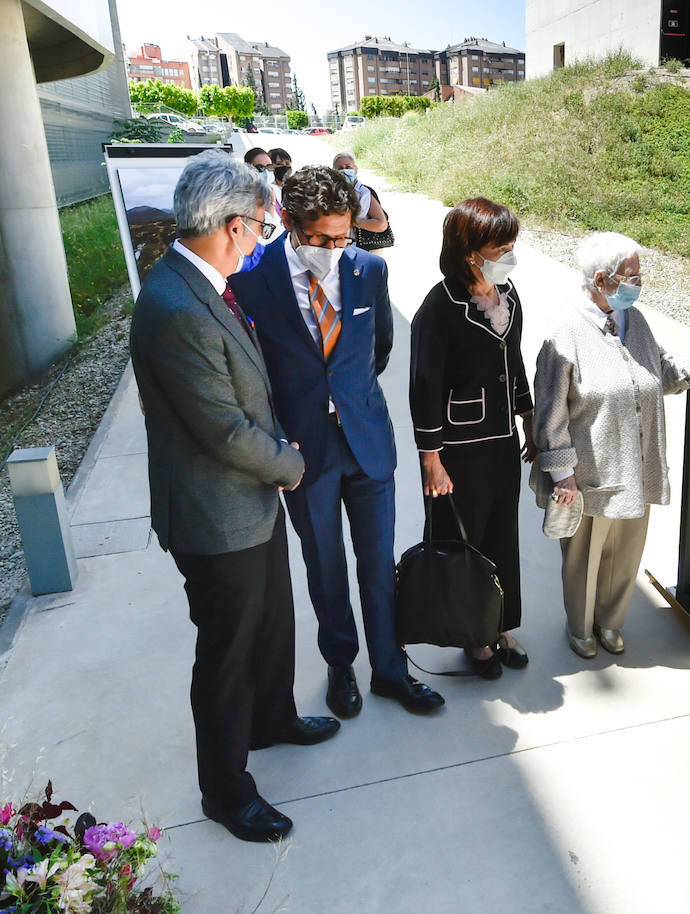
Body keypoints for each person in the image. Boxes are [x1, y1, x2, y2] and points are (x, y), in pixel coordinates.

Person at [129, 150, 336, 843]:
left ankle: (272, 718)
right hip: (217, 514)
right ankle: (226, 790)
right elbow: (220, 428)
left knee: (273, 621)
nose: (263, 236)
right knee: (226, 652)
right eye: (259, 223)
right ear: (227, 225)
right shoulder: (176, 307)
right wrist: (290, 464)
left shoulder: (203, 283)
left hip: (249, 500)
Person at [230, 165, 443, 718]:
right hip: (303, 451)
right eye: (321, 238)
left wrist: (348, 397)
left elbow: (379, 350)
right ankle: (340, 663)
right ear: (289, 223)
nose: (333, 249)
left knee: (377, 562)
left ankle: (390, 670)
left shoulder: (369, 269)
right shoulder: (252, 279)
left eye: (343, 237)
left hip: (367, 441)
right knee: (325, 567)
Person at [533, 232, 690, 658]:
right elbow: (549, 414)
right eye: (633, 277)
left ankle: (610, 622)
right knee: (584, 556)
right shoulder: (564, 331)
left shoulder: (633, 320)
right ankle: (580, 627)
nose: (639, 284)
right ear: (603, 279)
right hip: (587, 476)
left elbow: (657, 369)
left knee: (625, 554)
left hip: (634, 463)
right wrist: (563, 477)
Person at [409, 198, 536, 679]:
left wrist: (528, 418)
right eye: (500, 248)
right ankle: (472, 636)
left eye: (511, 246)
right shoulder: (438, 309)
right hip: (457, 451)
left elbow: (515, 360)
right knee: (464, 542)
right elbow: (423, 388)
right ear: (469, 252)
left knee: (502, 537)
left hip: (502, 442)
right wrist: (431, 459)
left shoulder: (510, 295)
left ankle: (500, 624)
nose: (509, 256)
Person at [332, 151, 388, 236]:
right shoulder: (329, 192)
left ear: (356, 170)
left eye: (348, 167)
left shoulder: (364, 193)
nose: (345, 171)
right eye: (340, 168)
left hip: (359, 245)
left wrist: (352, 221)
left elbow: (381, 224)